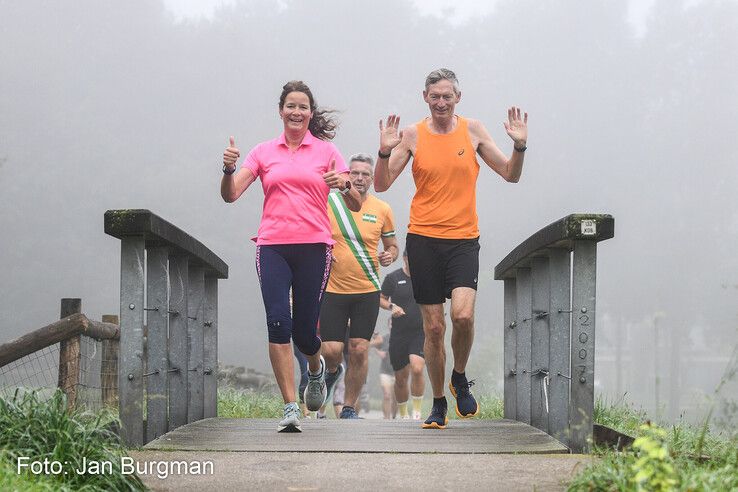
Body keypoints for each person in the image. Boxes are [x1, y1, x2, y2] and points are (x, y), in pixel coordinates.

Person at [374, 68, 528, 429]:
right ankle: (439, 401)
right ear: (425, 98)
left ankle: (459, 375)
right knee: (433, 329)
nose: (441, 102)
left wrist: (519, 146)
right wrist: (383, 151)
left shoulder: (472, 130)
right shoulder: (412, 134)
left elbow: (511, 174)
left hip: (462, 239)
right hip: (424, 239)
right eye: (434, 96)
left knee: (461, 316)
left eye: (447, 96)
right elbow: (381, 184)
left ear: (458, 97)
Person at [221, 80, 361, 433]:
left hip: (315, 247)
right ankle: (289, 406)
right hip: (273, 246)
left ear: (310, 113)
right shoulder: (263, 152)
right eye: (290, 106)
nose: (296, 112)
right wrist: (227, 170)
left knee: (304, 332)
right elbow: (231, 195)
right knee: (278, 322)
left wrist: (343, 185)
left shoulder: (327, 152)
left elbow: (356, 202)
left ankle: (316, 370)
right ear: (281, 111)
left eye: (303, 107)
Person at [319, 153, 399, 419]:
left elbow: (392, 246)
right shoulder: (330, 202)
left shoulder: (382, 209)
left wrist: (390, 255)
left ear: (372, 178)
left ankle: (349, 407)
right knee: (332, 351)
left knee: (359, 349)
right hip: (332, 288)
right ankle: (332, 372)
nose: (360, 178)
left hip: (367, 290)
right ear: (346, 175)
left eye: (366, 174)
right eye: (355, 173)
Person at [380, 248, 425, 420]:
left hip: (420, 332)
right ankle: (403, 414)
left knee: (417, 367)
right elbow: (381, 298)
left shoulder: (426, 278)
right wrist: (392, 307)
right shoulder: (393, 278)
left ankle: (417, 412)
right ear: (405, 258)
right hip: (399, 333)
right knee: (400, 378)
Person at [373, 329, 397, 419]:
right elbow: (373, 345)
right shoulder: (384, 338)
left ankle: (394, 417)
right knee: (387, 395)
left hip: (397, 371)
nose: (392, 326)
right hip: (385, 371)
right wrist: (379, 353)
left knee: (395, 398)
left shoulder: (401, 336)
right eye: (390, 324)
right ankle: (386, 418)